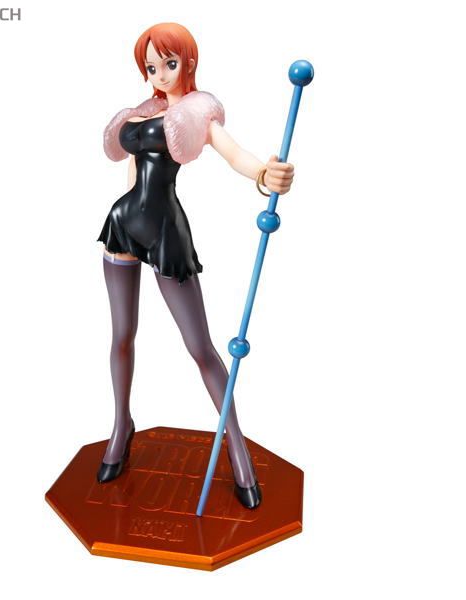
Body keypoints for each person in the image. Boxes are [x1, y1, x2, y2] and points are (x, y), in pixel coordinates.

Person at [96, 23, 294, 509]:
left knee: (201, 346)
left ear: (187, 62)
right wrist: (129, 210)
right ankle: (121, 426)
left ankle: (237, 448)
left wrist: (263, 173)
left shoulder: (197, 111)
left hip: (165, 231)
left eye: (169, 63)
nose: (160, 74)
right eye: (151, 66)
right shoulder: (144, 111)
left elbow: (233, 152)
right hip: (124, 224)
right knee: (121, 335)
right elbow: (132, 173)